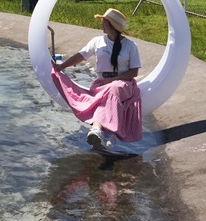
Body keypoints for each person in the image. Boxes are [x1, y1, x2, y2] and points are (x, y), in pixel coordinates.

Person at [52, 8, 142, 149]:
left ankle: (97, 128)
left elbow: (134, 72)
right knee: (106, 96)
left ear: (112, 25)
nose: (102, 25)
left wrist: (115, 80)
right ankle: (106, 133)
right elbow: (81, 56)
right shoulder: (97, 41)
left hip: (124, 83)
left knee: (113, 89)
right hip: (101, 83)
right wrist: (61, 67)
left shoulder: (130, 46)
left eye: (104, 22)